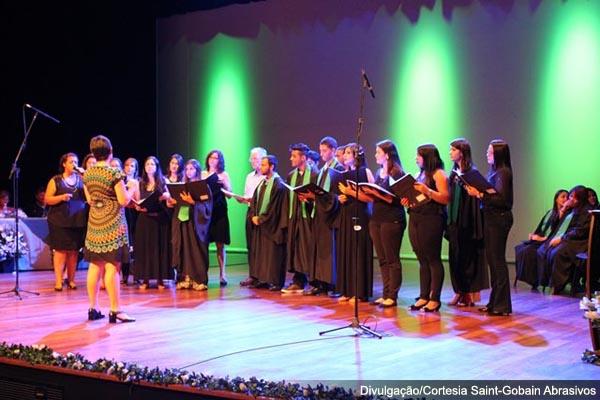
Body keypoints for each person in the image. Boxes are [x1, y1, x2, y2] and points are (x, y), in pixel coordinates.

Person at [83, 135, 134, 323]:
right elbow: (123, 200)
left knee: (95, 265)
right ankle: (115, 310)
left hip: (95, 223)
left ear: (93, 153)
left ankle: (93, 308)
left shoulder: (87, 173)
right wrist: (131, 187)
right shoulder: (114, 173)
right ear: (110, 152)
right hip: (113, 224)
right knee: (113, 266)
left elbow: (89, 200)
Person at [465, 139, 514, 316]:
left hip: (499, 220)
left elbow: (502, 200)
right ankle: (495, 302)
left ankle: (502, 305)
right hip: (491, 218)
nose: (487, 154)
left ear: (499, 154)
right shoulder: (495, 172)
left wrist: (478, 194)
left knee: (497, 261)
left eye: (490, 152)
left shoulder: (503, 173)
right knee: (492, 262)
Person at [359, 140, 407, 308]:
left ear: (387, 155)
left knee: (392, 258)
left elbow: (398, 199)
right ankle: (385, 293)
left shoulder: (397, 173)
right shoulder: (379, 172)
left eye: (378, 152)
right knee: (382, 259)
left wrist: (379, 194)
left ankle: (392, 295)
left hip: (392, 219)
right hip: (377, 219)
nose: (375, 155)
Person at [405, 144, 450, 313]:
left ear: (428, 157)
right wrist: (407, 200)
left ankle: (435, 298)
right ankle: (423, 296)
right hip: (416, 216)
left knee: (433, 259)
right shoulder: (420, 173)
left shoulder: (439, 174)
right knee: (422, 259)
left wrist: (427, 190)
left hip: (432, 219)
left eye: (419, 155)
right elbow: (417, 196)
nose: (416, 158)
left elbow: (445, 198)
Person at [446, 138, 488, 307]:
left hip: (467, 222)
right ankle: (459, 292)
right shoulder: (453, 172)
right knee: (455, 258)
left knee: (467, 258)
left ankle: (468, 293)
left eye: (453, 150)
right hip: (454, 221)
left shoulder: (471, 173)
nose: (450, 152)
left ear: (461, 152)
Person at [306, 136, 345, 296]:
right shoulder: (322, 170)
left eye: (324, 150)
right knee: (319, 251)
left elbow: (337, 194)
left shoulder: (339, 169)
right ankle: (320, 282)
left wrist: (326, 200)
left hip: (332, 215)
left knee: (331, 252)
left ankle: (333, 284)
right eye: (320, 150)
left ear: (333, 151)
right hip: (320, 214)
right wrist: (309, 197)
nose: (321, 154)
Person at [336, 143, 375, 302]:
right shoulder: (344, 173)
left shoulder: (365, 172)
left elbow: (371, 197)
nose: (344, 156)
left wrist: (350, 192)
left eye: (347, 153)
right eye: (344, 153)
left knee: (358, 252)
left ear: (356, 155)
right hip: (346, 214)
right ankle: (347, 289)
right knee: (347, 251)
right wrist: (341, 197)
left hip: (361, 214)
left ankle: (359, 292)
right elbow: (343, 194)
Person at [537, 185, 592, 294]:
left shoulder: (586, 211)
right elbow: (560, 227)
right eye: (570, 196)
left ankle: (557, 286)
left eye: (573, 197)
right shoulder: (573, 209)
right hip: (570, 239)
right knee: (544, 250)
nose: (571, 199)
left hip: (579, 242)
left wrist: (562, 238)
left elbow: (580, 231)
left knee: (557, 253)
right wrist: (563, 209)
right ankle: (545, 282)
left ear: (580, 198)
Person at [45, 153, 87, 291]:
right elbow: (47, 199)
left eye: (76, 161)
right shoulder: (56, 180)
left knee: (74, 251)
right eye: (71, 162)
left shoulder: (81, 180)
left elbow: (89, 197)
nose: (74, 164)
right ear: (64, 164)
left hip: (77, 220)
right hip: (59, 221)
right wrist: (61, 197)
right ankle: (58, 281)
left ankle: (72, 280)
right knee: (61, 251)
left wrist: (85, 178)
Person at [168, 159, 212, 291]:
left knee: (195, 250)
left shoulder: (203, 186)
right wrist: (173, 201)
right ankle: (185, 278)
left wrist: (193, 202)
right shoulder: (182, 185)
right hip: (182, 222)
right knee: (183, 250)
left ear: (197, 170)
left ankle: (198, 279)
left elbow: (207, 207)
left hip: (196, 224)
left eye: (192, 169)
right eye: (187, 169)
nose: (188, 171)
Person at [281, 143, 318, 294]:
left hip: (308, 218)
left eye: (294, 156)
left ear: (303, 157)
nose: (291, 159)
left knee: (308, 249)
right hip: (294, 217)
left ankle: (313, 281)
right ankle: (298, 280)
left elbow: (320, 196)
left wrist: (309, 199)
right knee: (295, 249)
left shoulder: (315, 174)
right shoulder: (291, 175)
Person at [248, 155, 288, 290]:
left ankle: (275, 281)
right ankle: (263, 279)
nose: (261, 167)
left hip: (272, 226)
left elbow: (274, 207)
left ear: (272, 167)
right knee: (262, 253)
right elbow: (254, 201)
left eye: (264, 165)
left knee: (272, 255)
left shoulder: (278, 184)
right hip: (260, 225)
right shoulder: (262, 182)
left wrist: (261, 218)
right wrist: (253, 215)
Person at [514, 189, 568, 289]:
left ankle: (534, 281)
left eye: (567, 197)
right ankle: (525, 278)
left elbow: (556, 232)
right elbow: (540, 228)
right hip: (541, 239)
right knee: (520, 248)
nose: (565, 199)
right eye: (563, 196)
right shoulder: (550, 212)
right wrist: (533, 235)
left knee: (528, 251)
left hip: (547, 241)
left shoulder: (565, 215)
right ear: (556, 199)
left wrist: (542, 238)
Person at [134, 156, 172, 289]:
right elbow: (137, 200)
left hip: (159, 219)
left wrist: (165, 196)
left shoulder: (163, 181)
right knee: (145, 249)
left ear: (157, 167)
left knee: (159, 249)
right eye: (147, 164)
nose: (149, 166)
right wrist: (138, 206)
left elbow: (170, 199)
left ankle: (160, 279)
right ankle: (145, 280)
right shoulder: (140, 183)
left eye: (152, 164)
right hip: (144, 219)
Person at [203, 150, 232, 286]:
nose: (213, 160)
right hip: (206, 212)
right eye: (211, 157)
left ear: (220, 161)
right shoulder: (203, 174)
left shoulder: (224, 174)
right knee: (204, 244)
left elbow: (230, 194)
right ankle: (203, 273)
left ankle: (222, 274)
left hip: (219, 211)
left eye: (216, 158)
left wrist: (223, 184)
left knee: (220, 244)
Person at [239, 147, 267, 287]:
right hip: (250, 211)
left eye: (255, 158)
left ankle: (263, 276)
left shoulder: (268, 177)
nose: (252, 161)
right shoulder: (249, 176)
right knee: (251, 245)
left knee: (262, 246)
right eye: (251, 158)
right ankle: (253, 275)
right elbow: (247, 195)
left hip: (262, 213)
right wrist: (242, 199)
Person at [121, 157, 140, 285]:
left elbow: (139, 199)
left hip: (135, 214)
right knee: (125, 244)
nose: (129, 168)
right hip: (123, 214)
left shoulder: (138, 182)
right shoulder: (120, 181)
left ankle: (138, 274)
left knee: (136, 244)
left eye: (132, 166)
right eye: (127, 165)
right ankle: (125, 275)